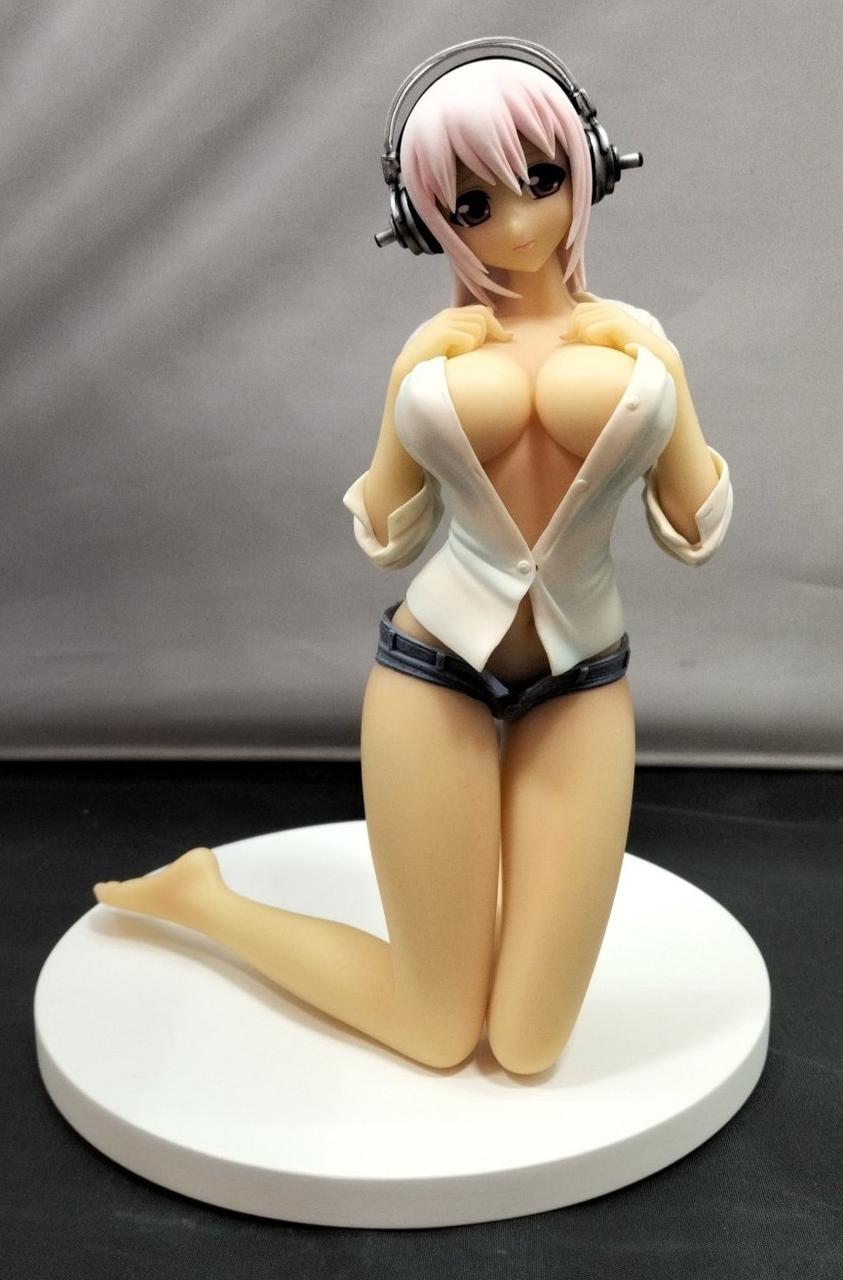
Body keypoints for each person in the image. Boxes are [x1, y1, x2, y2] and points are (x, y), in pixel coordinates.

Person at [94, 40, 732, 1076]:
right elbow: (387, 537)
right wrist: (402, 387)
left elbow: (695, 531)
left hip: (582, 682)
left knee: (528, 1044)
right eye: (473, 203)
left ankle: (479, 902)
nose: (517, 221)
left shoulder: (634, 342)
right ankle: (204, 900)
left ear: (590, 163)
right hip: (432, 672)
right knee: (437, 1031)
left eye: (542, 178)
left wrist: (672, 378)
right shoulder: (437, 354)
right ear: (423, 216)